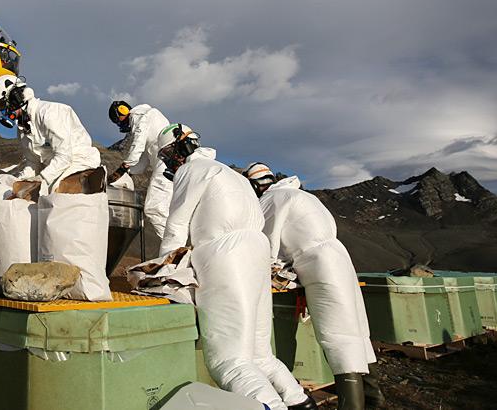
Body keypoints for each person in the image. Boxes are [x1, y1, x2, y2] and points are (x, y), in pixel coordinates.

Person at [157, 125, 315, 410]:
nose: (168, 161)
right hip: (257, 254)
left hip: (225, 255)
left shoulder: (191, 171)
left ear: (180, 148)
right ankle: (299, 401)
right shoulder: (230, 174)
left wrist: (164, 273)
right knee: (260, 355)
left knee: (229, 362)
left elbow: (176, 225)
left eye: (167, 153)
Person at [245, 163, 383, 410]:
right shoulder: (301, 195)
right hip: (340, 257)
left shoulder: (273, 199)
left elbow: (265, 245)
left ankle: (353, 406)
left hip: (318, 264)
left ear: (255, 184)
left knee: (337, 336)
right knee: (356, 330)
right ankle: (374, 398)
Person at [0, 75, 101, 194]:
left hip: (79, 162)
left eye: (3, 105)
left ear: (15, 98)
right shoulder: (22, 131)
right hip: (55, 169)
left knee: (56, 193)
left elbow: (64, 156)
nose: (3, 112)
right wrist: (19, 182)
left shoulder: (49, 113)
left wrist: (41, 178)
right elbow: (33, 163)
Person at [107, 100, 173, 239]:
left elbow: (137, 146)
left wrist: (123, 167)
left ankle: (173, 247)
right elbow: (143, 162)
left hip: (166, 166)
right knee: (167, 211)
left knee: (154, 208)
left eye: (118, 122)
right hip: (168, 165)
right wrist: (128, 173)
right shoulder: (150, 120)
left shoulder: (144, 118)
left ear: (122, 114)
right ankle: (175, 244)